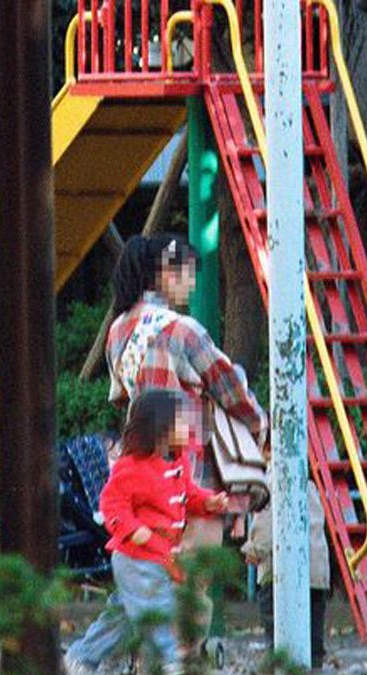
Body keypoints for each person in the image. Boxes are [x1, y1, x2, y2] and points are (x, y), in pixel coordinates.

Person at [104, 234, 268, 630]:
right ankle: (181, 664)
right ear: (165, 272)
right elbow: (231, 390)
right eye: (188, 274)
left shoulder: (118, 331)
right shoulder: (183, 330)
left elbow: (121, 397)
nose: (192, 285)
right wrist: (260, 428)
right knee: (191, 577)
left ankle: (149, 664)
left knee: (150, 576)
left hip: (137, 475)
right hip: (189, 477)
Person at [64, 389, 230, 675]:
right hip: (134, 555)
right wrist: (130, 528)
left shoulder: (176, 463)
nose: (187, 429)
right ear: (159, 428)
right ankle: (167, 659)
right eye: (180, 423)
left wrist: (208, 502)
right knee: (158, 603)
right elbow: (111, 504)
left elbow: (186, 496)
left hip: (160, 555)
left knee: (122, 617)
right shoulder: (130, 467)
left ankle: (81, 656)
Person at [241, 477, 330, 669]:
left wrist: (254, 549)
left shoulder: (274, 481)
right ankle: (314, 656)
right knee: (313, 616)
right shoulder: (311, 486)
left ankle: (278, 654)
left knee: (271, 609)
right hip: (316, 568)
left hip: (280, 569)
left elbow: (266, 523)